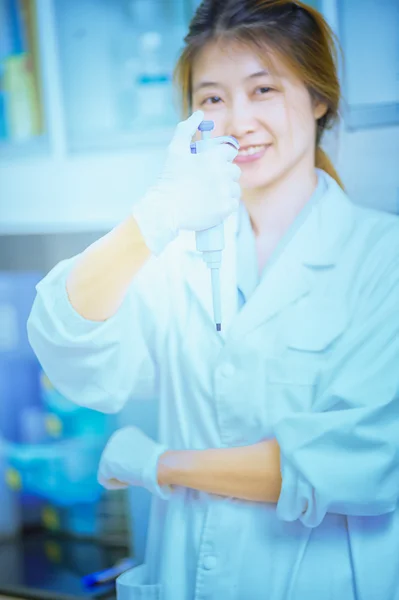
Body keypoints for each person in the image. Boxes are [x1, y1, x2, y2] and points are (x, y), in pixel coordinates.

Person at [27, 1, 399, 598]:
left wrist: (159, 465)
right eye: (213, 99)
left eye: (264, 89)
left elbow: (364, 462)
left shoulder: (382, 258)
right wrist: (153, 218)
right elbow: (73, 352)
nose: (238, 121)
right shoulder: (174, 254)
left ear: (319, 99)